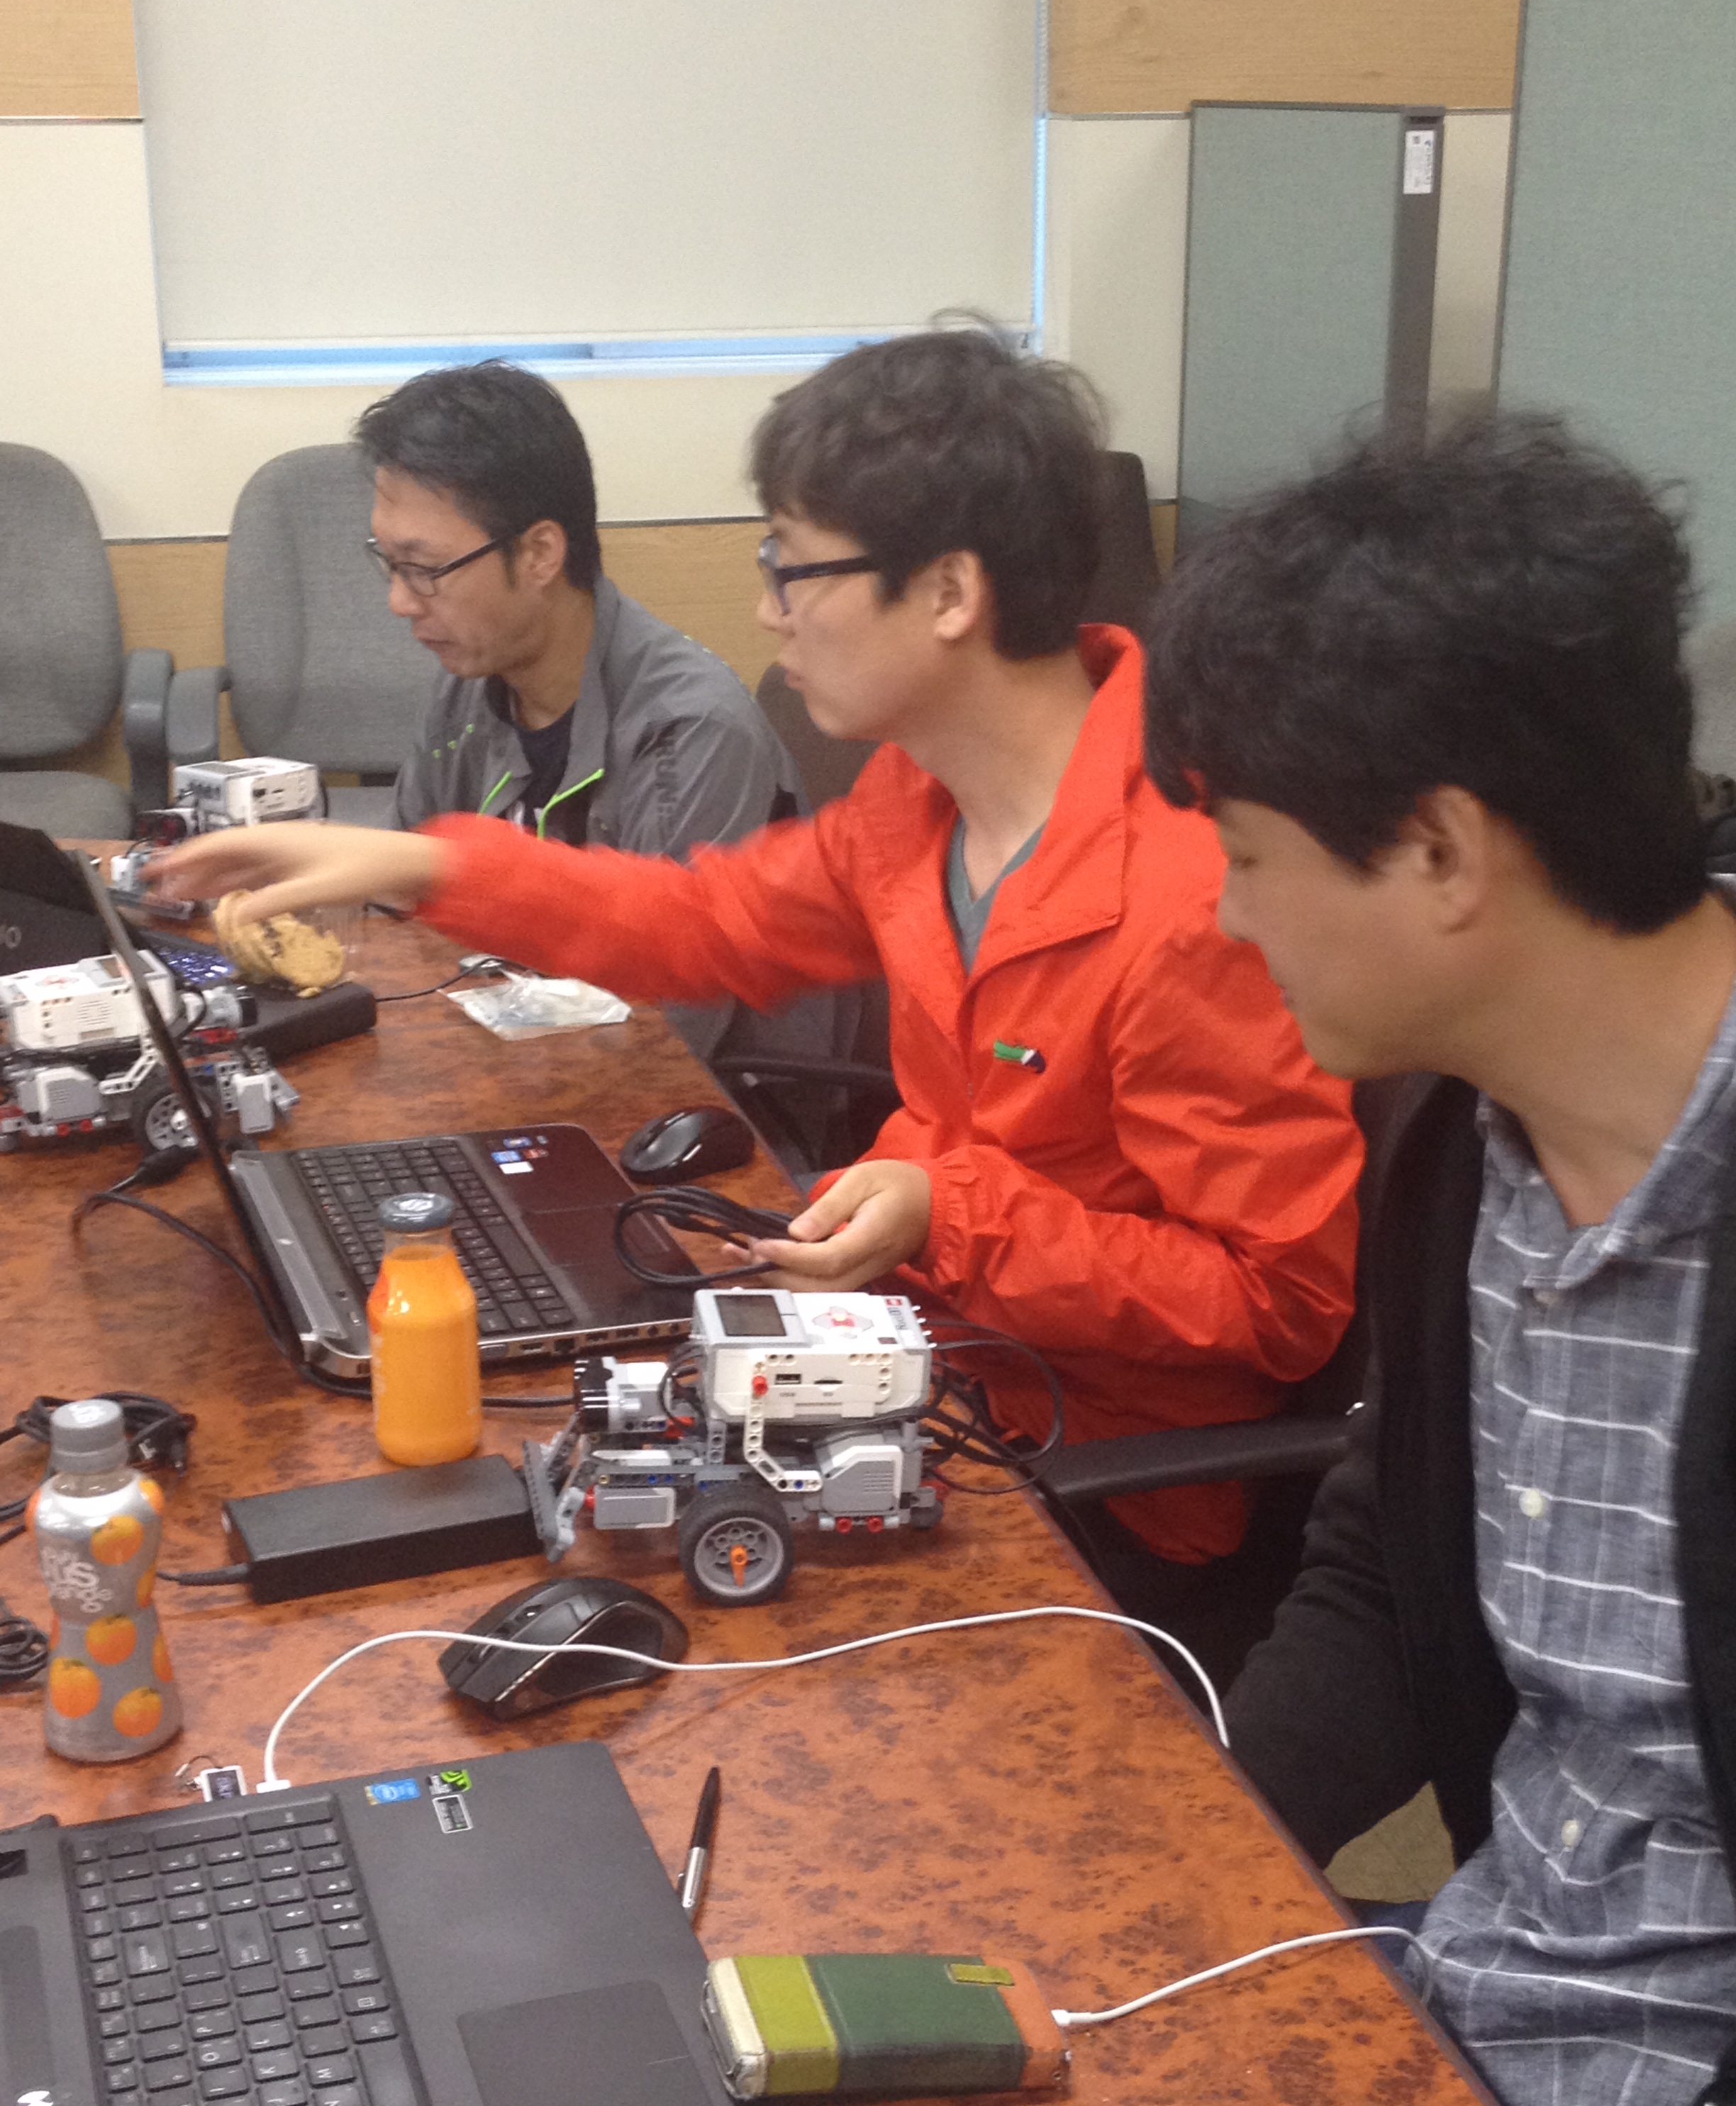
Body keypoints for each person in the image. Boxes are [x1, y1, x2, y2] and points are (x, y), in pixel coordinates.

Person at [155, 326, 1361, 1571]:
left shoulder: (1201, 890)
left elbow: (1277, 1302)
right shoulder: (923, 798)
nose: (766, 612)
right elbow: (706, 920)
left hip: (1082, 1482)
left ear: (949, 593)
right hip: (915, 1366)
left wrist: (951, 1214)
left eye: (793, 570)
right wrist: (428, 866)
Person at [1142, 413, 1736, 2106]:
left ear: (1440, 850)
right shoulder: (1451, 1135)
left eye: (1249, 856)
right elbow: (1384, 1574)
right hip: (1477, 2019)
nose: (1227, 915)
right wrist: (1179, 1871)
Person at [357, 357, 834, 1076]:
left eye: (425, 569)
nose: (400, 601)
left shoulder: (691, 730)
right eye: (389, 564)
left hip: (715, 1106)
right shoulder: (468, 684)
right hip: (520, 1066)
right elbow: (402, 910)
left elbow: (664, 1037)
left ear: (540, 553)